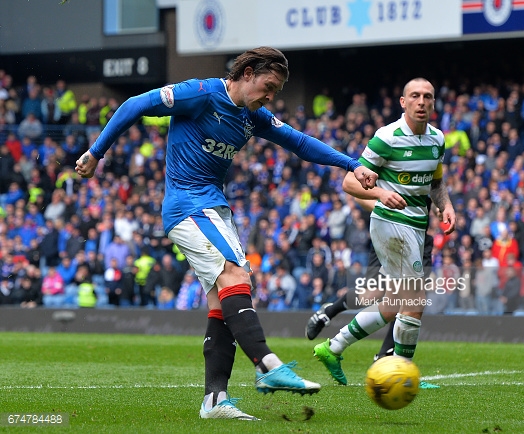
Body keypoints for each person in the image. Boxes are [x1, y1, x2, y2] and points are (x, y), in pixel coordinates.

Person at [75, 46, 378, 420]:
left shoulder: (253, 116)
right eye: (267, 86)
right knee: (237, 274)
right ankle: (267, 366)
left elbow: (299, 143)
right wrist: (95, 153)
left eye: (276, 92)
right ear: (247, 72)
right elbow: (135, 104)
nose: (270, 97)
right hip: (188, 205)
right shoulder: (201, 93)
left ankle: (214, 400)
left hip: (213, 207)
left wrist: (352, 163)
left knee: (222, 299)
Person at [311, 77, 455, 386]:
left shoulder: (437, 140)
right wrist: (379, 194)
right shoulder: (387, 137)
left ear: (433, 103)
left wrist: (446, 205)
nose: (421, 101)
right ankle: (401, 372)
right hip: (391, 223)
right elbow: (350, 181)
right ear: (403, 102)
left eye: (427, 97)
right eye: (414, 96)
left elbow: (437, 182)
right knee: (415, 301)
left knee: (391, 303)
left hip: (416, 227)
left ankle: (332, 347)